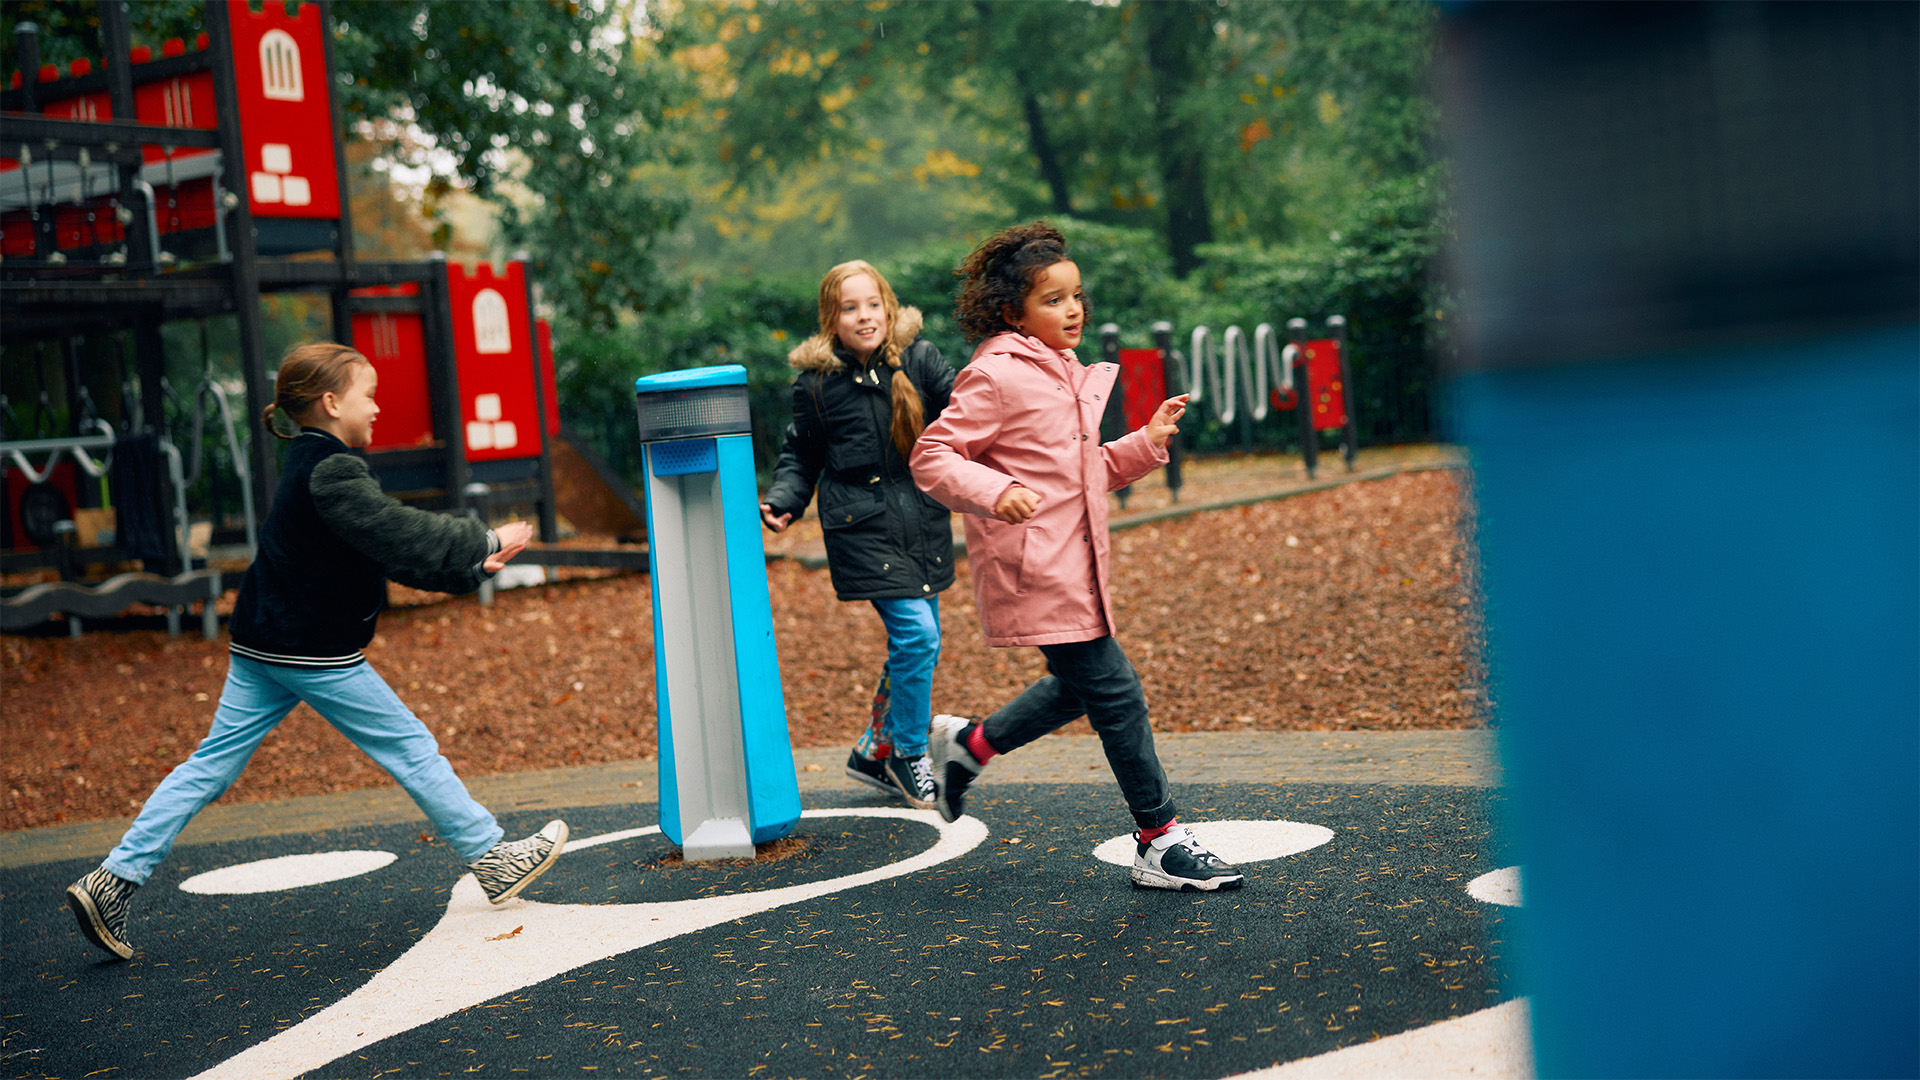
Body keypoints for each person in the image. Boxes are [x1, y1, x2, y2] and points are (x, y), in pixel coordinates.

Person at [65, 343, 569, 961]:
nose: (378, 408)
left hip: (263, 641)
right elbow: (400, 530)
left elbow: (379, 551)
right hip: (307, 646)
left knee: (211, 765)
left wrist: (470, 567)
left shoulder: (318, 465)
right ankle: (492, 858)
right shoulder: (332, 470)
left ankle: (111, 882)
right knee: (409, 746)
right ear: (331, 403)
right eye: (369, 395)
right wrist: (484, 535)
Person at [910, 222, 1244, 891]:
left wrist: (1144, 443)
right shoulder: (996, 376)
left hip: (1075, 562)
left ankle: (969, 748)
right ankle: (1158, 837)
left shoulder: (1062, 373)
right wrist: (995, 489)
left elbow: (1078, 473)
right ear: (1013, 313)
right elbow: (933, 456)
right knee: (1115, 691)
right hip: (1036, 568)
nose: (1074, 310)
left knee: (1081, 688)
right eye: (1054, 300)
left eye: (1077, 296)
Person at [760, 260, 957, 810]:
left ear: (887, 306)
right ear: (832, 319)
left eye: (872, 304)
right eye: (850, 308)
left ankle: (873, 750)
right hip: (862, 527)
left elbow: (965, 407)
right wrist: (784, 500)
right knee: (918, 638)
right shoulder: (818, 385)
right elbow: (800, 454)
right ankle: (909, 753)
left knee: (913, 647)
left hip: (921, 519)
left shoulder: (920, 358)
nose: (864, 316)